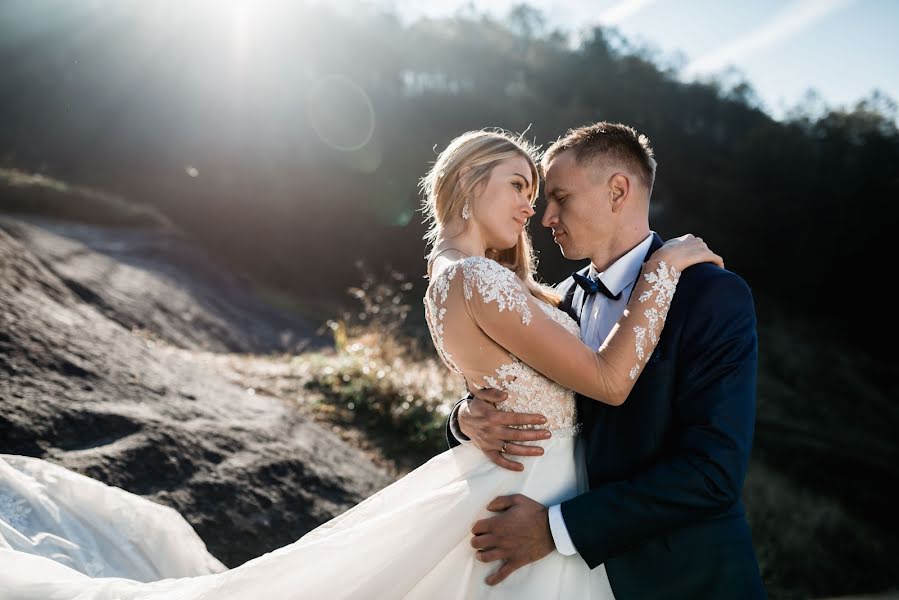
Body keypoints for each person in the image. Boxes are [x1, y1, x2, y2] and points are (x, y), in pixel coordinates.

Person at [0, 129, 720, 599]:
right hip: (528, 493)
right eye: (518, 186)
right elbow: (605, 379)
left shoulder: (463, 276)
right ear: (468, 182)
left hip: (530, 485)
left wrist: (467, 416)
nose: (531, 207)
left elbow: (513, 378)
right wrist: (668, 264)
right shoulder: (479, 279)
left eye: (538, 193)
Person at [449, 123, 767, 598]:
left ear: (618, 191)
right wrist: (464, 419)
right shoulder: (559, 303)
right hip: (566, 583)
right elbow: (516, 394)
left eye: (560, 198)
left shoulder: (711, 295)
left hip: (686, 579)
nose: (545, 217)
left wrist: (555, 529)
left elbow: (712, 473)